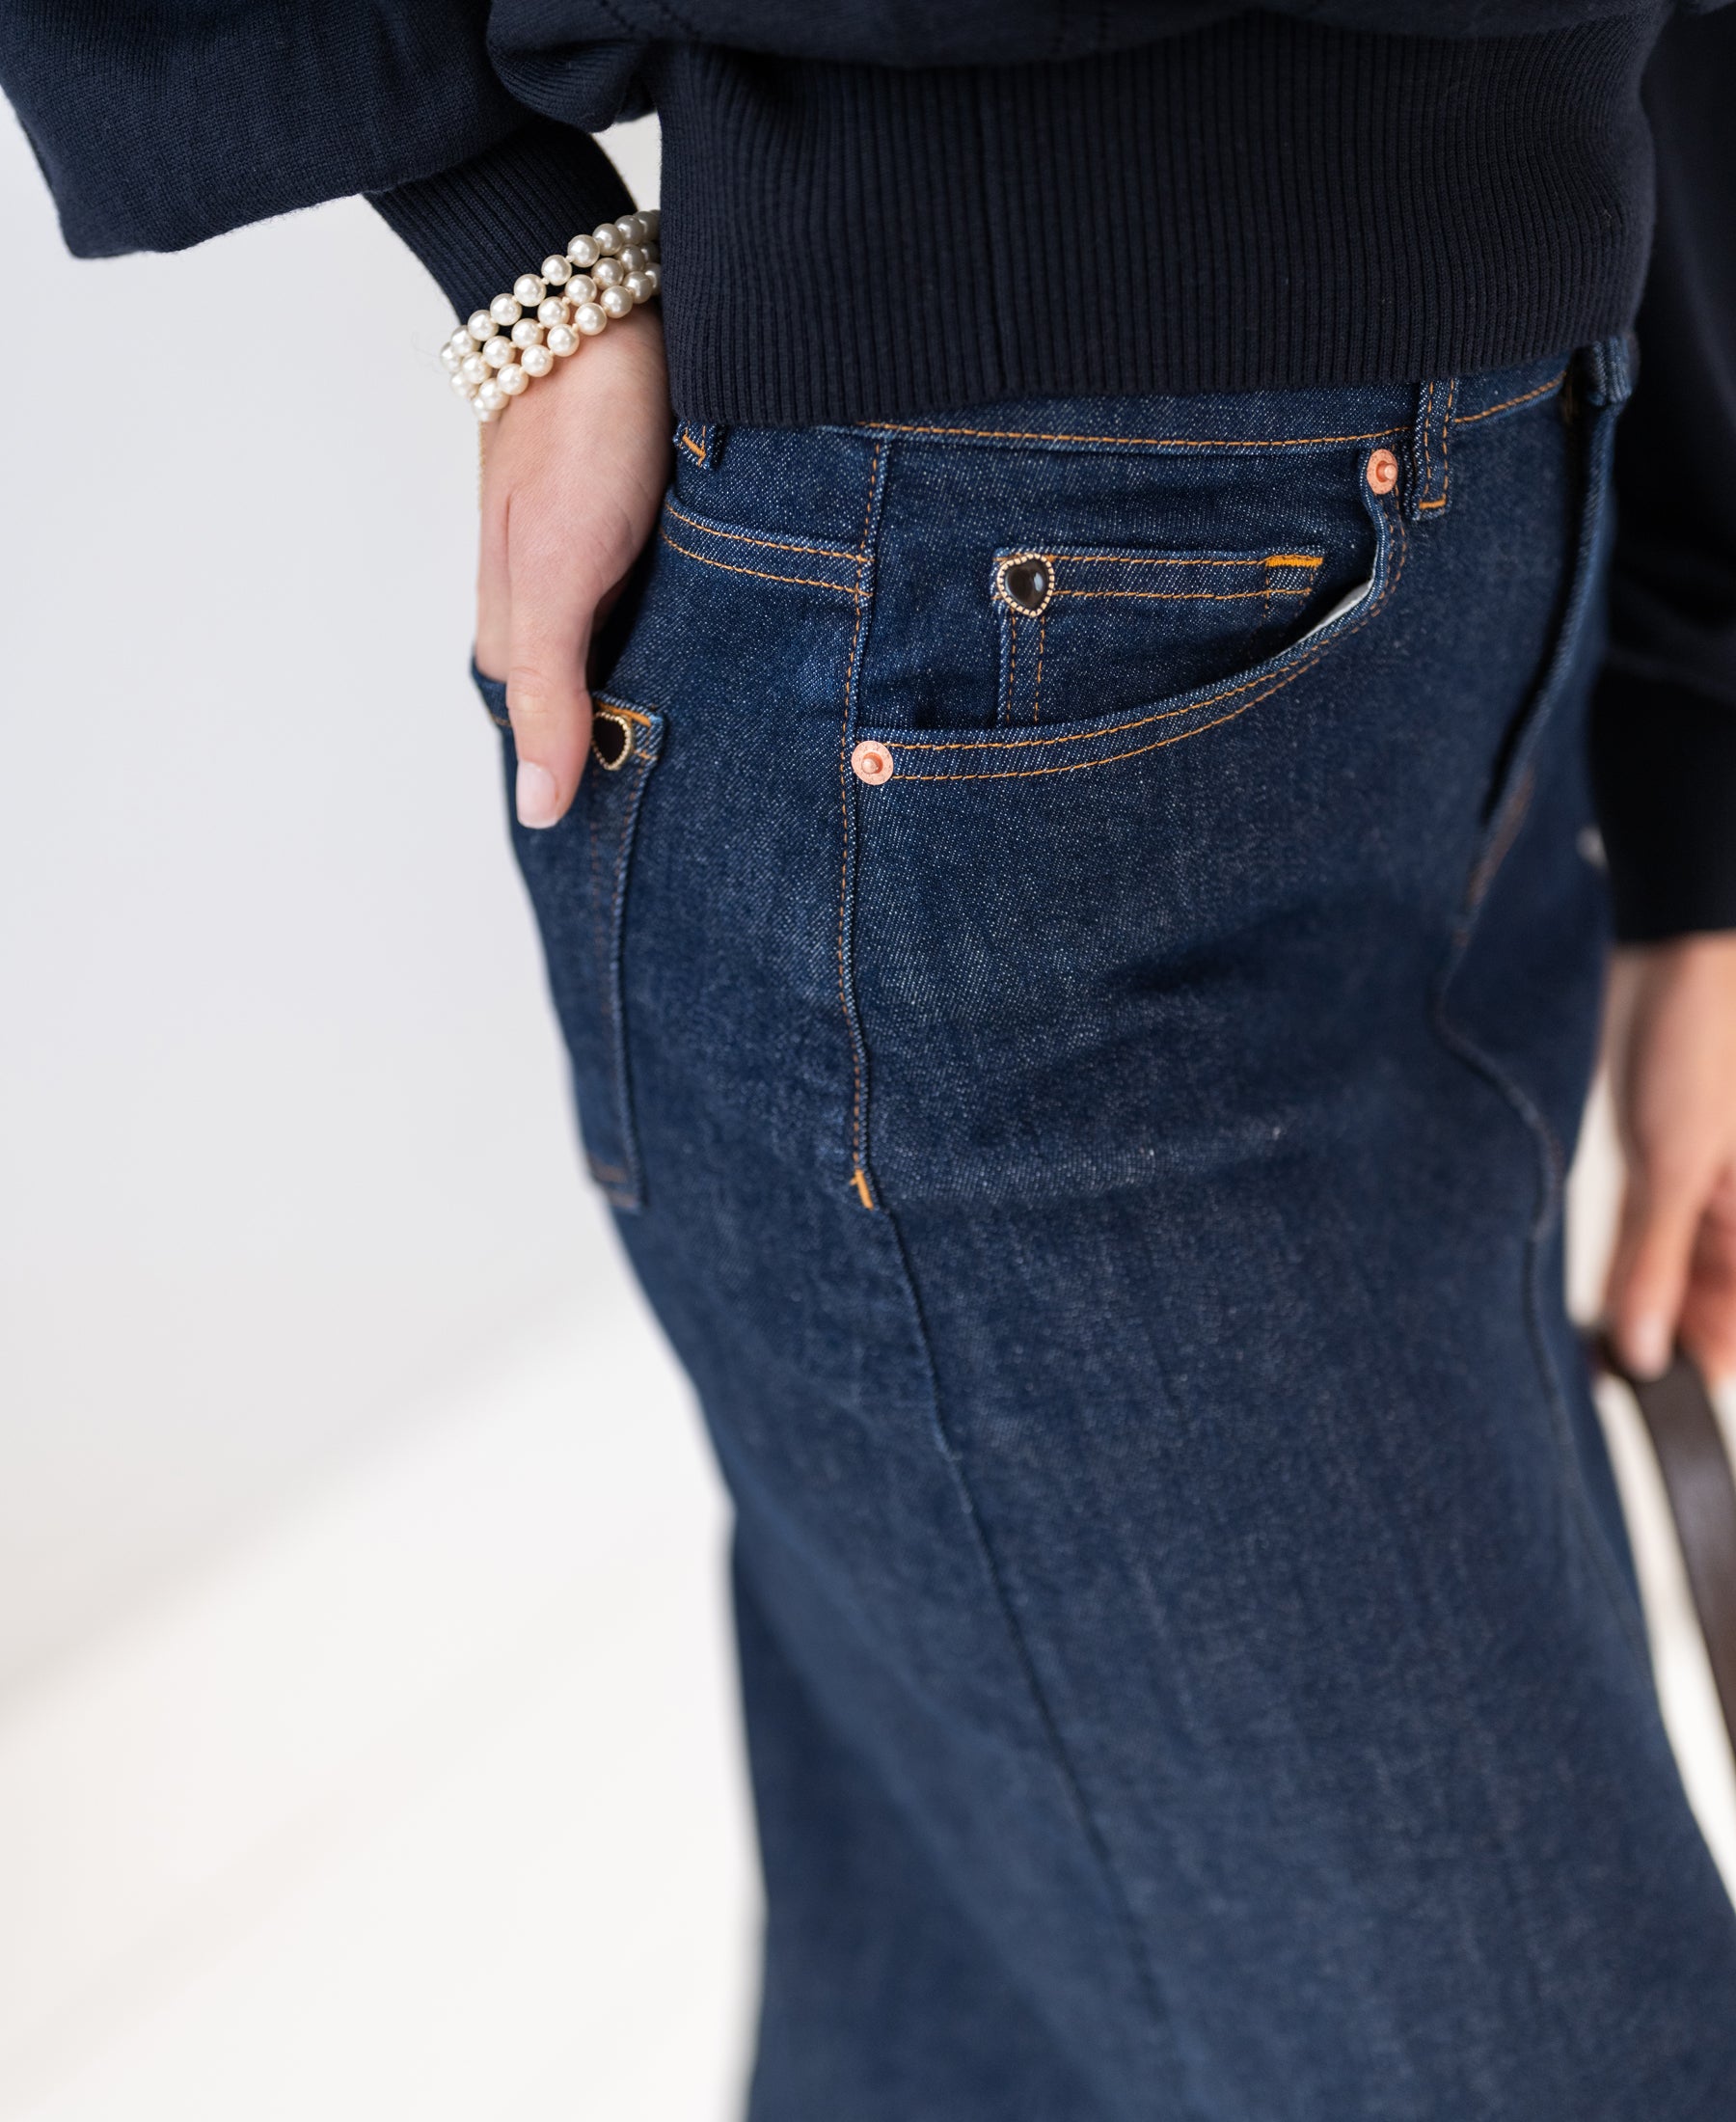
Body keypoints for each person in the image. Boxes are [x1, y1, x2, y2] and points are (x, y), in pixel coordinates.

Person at [6, 5, 1736, 2113]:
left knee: (981, 1996)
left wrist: (1694, 776)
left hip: (1502, 550)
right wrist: (514, 259)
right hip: (975, 673)